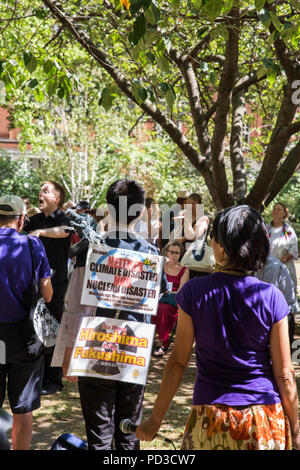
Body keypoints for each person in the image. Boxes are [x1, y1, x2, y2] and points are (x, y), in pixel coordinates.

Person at [136, 205, 300, 450]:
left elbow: (178, 362)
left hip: (209, 419)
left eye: (214, 238)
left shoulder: (193, 292)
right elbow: (285, 373)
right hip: (264, 420)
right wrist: (296, 431)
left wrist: (155, 420)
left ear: (220, 246)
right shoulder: (272, 297)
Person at [62, 179, 167, 450]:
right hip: (134, 349)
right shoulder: (152, 254)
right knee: (128, 431)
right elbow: (157, 299)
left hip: (93, 346)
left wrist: (67, 351)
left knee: (99, 432)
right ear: (142, 212)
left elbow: (73, 304)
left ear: (107, 209)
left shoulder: (89, 250)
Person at [0, 195, 52, 450]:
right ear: (21, 219)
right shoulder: (32, 246)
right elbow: (48, 294)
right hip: (25, 338)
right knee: (22, 408)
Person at [24, 180, 71, 395]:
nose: (40, 193)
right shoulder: (33, 219)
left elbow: (65, 231)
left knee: (52, 329)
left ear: (57, 198)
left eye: (46, 191)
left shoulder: (63, 219)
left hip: (55, 282)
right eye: (40, 190)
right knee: (35, 327)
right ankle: (38, 377)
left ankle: (54, 379)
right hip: (32, 281)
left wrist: (41, 233)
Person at [152, 241, 189, 357]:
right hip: (156, 297)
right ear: (166, 253)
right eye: (172, 252)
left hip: (172, 301)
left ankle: (161, 343)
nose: (175, 255)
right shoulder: (160, 266)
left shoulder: (184, 270)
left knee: (164, 309)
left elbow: (180, 292)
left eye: (177, 253)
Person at [255, 254, 297, 347]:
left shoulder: (271, 266)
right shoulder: (258, 265)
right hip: (273, 316)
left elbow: (265, 300)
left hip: (283, 318)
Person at [267, 202, 298, 310]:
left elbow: (294, 249)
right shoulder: (267, 229)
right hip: (268, 268)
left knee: (285, 297)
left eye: (279, 209)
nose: (276, 211)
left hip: (285, 268)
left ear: (284, 213)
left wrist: (280, 261)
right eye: (274, 209)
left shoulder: (289, 230)